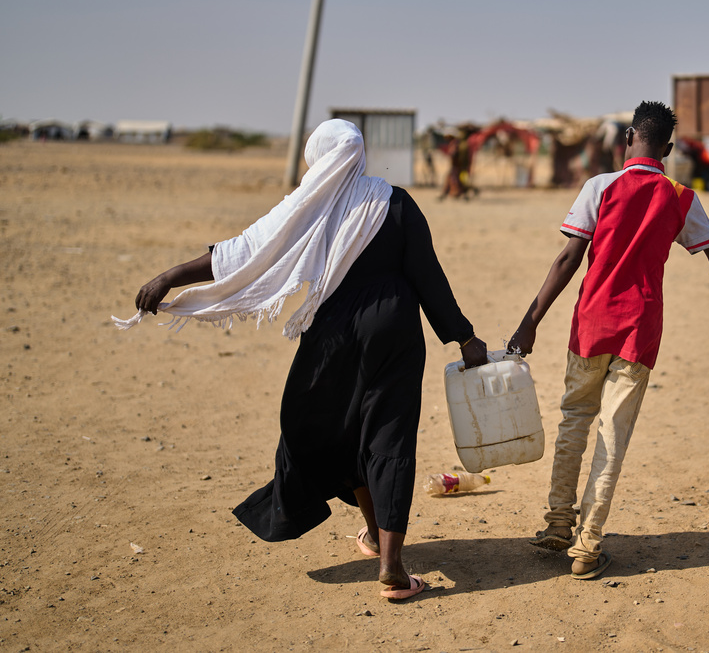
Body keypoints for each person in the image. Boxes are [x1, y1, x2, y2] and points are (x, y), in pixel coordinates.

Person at [121, 119, 488, 600]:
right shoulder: (395, 202)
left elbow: (245, 251)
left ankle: (382, 548)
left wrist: (173, 274)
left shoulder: (307, 208)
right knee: (389, 436)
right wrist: (464, 337)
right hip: (394, 331)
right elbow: (428, 278)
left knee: (331, 426)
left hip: (332, 334)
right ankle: (390, 560)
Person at [507, 101, 709, 580]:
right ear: (667, 149)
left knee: (574, 422)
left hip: (589, 327)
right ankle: (586, 547)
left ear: (628, 138)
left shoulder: (599, 187)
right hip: (639, 333)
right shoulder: (680, 197)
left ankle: (558, 524)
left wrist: (530, 322)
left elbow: (568, 258)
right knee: (613, 435)